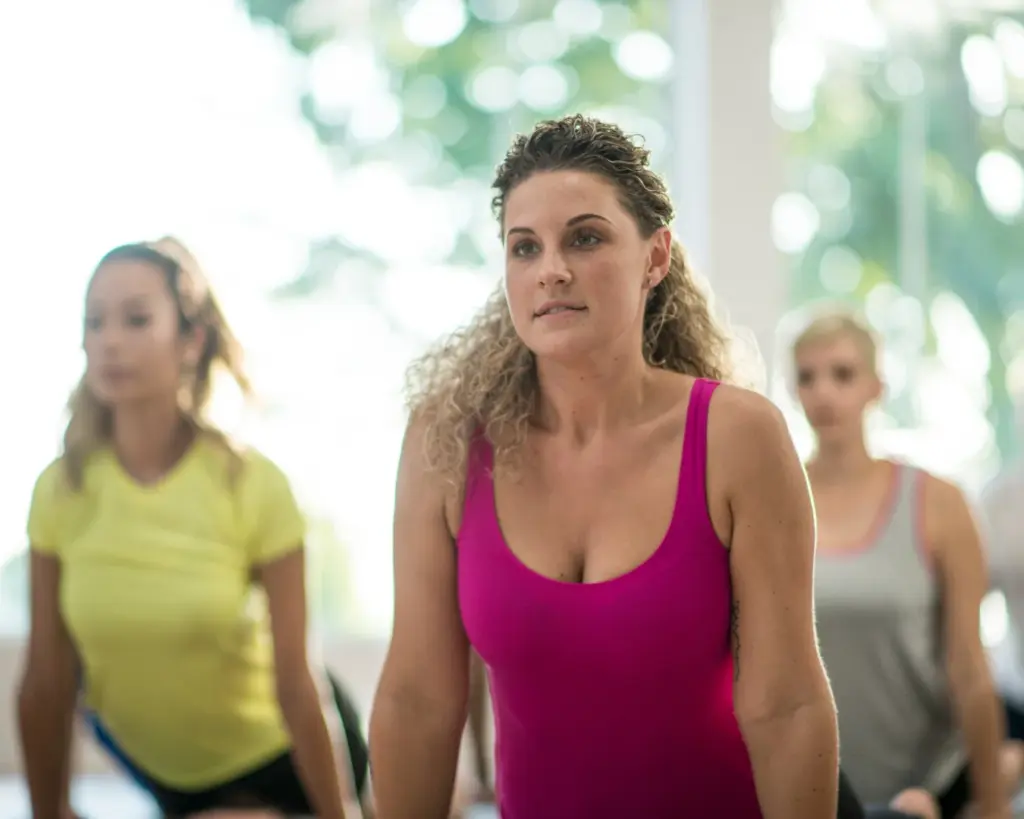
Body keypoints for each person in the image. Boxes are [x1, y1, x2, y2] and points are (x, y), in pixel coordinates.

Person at [369, 114, 839, 818]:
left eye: (585, 238)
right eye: (524, 247)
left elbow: (787, 705)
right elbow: (417, 700)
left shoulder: (740, 437)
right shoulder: (446, 443)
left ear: (655, 257)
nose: (551, 269)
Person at [16, 238, 362, 818]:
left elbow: (299, 684)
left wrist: (341, 812)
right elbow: (47, 680)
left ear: (191, 340)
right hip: (167, 781)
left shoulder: (252, 483)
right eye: (95, 322)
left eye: (136, 319)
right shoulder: (60, 489)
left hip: (279, 763)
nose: (110, 340)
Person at [793, 310, 1022, 819]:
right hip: (811, 788)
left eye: (843, 374)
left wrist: (992, 803)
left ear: (876, 387)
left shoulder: (939, 503)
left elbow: (969, 665)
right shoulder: (772, 499)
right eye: (807, 377)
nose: (824, 392)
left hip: (931, 784)